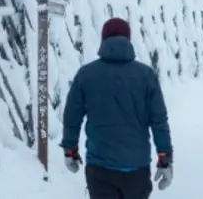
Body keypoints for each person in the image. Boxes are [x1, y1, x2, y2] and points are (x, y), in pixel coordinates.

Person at [59, 17, 173, 199]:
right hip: (137, 169)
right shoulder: (146, 76)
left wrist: (70, 150)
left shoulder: (86, 75)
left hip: (100, 169)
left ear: (103, 40)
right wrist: (165, 159)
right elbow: (159, 120)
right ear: (128, 40)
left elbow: (72, 117)